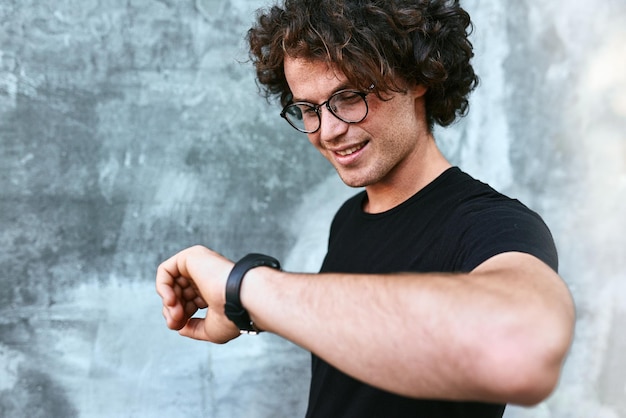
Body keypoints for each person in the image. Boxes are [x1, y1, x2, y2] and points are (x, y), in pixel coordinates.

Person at [155, 0, 575, 417]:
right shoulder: (348, 219)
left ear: (417, 78)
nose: (330, 131)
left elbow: (523, 348)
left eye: (349, 96)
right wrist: (247, 310)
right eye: (308, 109)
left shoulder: (493, 223)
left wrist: (243, 289)